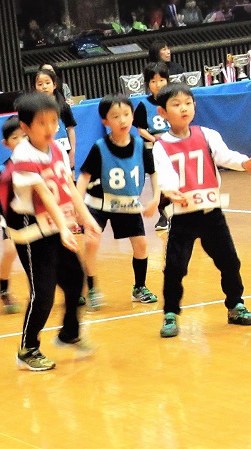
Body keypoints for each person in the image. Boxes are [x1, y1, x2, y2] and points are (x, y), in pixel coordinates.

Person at [151, 83, 251, 338]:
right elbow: (165, 173)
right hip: (182, 217)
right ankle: (171, 314)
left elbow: (225, 156)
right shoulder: (161, 146)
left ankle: (235, 305)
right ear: (162, 112)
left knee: (230, 261)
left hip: (211, 214)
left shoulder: (207, 135)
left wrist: (244, 163)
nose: (183, 108)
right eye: (176, 104)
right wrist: (170, 190)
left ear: (194, 106)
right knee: (174, 268)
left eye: (187, 103)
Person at [0, 93, 101, 371]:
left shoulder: (56, 148)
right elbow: (44, 194)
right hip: (31, 230)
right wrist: (65, 227)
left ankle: (69, 333)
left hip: (55, 226)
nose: (50, 128)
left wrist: (86, 217)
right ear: (25, 127)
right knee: (42, 293)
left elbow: (68, 186)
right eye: (42, 123)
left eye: (54, 121)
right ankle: (27, 349)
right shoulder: (23, 155)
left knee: (75, 278)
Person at [76, 95, 164, 310]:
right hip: (98, 203)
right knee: (91, 242)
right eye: (115, 116)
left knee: (141, 244)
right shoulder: (100, 147)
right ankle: (91, 288)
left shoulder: (141, 145)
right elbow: (84, 177)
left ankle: (140, 287)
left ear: (133, 116)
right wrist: (78, 208)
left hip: (127, 204)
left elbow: (154, 173)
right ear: (105, 121)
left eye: (126, 114)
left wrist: (155, 198)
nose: (122, 120)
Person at [134, 62, 173, 231]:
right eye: (153, 81)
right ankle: (164, 216)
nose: (158, 84)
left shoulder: (173, 101)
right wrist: (155, 140)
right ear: (148, 83)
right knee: (159, 182)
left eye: (161, 80)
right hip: (154, 148)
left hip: (172, 146)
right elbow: (140, 129)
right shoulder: (144, 105)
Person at [0, 116, 25, 314]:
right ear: (6, 143)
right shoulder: (3, 170)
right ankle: (4, 290)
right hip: (11, 213)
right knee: (10, 251)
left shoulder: (41, 161)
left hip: (35, 213)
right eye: (15, 138)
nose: (21, 141)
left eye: (24, 136)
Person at [34, 68, 78, 169]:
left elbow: (70, 129)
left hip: (64, 149)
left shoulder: (63, 106)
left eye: (47, 83)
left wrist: (72, 151)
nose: (44, 86)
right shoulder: (34, 109)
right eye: (40, 84)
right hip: (43, 152)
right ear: (35, 87)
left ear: (54, 85)